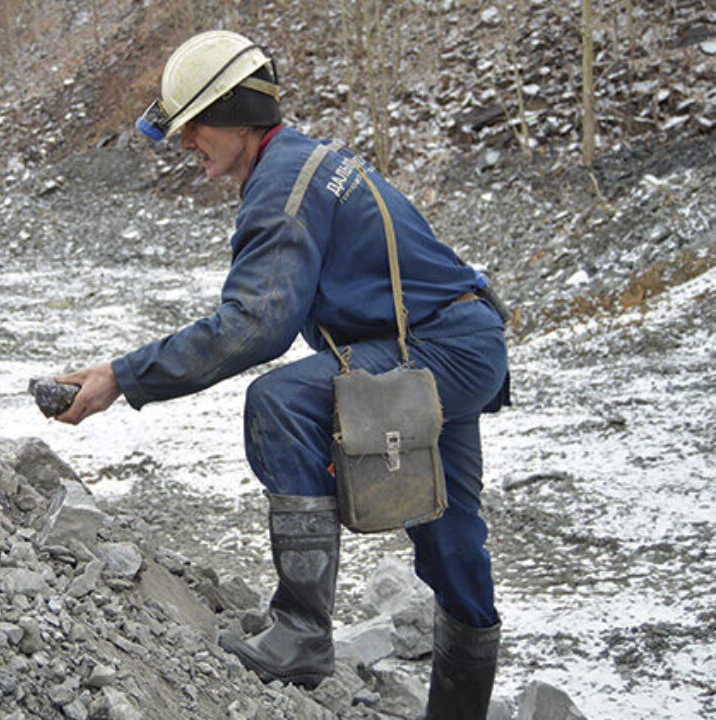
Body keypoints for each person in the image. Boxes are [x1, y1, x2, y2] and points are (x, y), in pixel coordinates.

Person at [53, 30, 509, 720]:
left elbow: (252, 326)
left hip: (439, 349)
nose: (185, 143)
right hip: (461, 341)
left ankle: (299, 633)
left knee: (281, 400)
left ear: (236, 115)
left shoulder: (283, 188)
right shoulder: (303, 164)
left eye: (193, 126)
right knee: (449, 538)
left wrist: (121, 377)